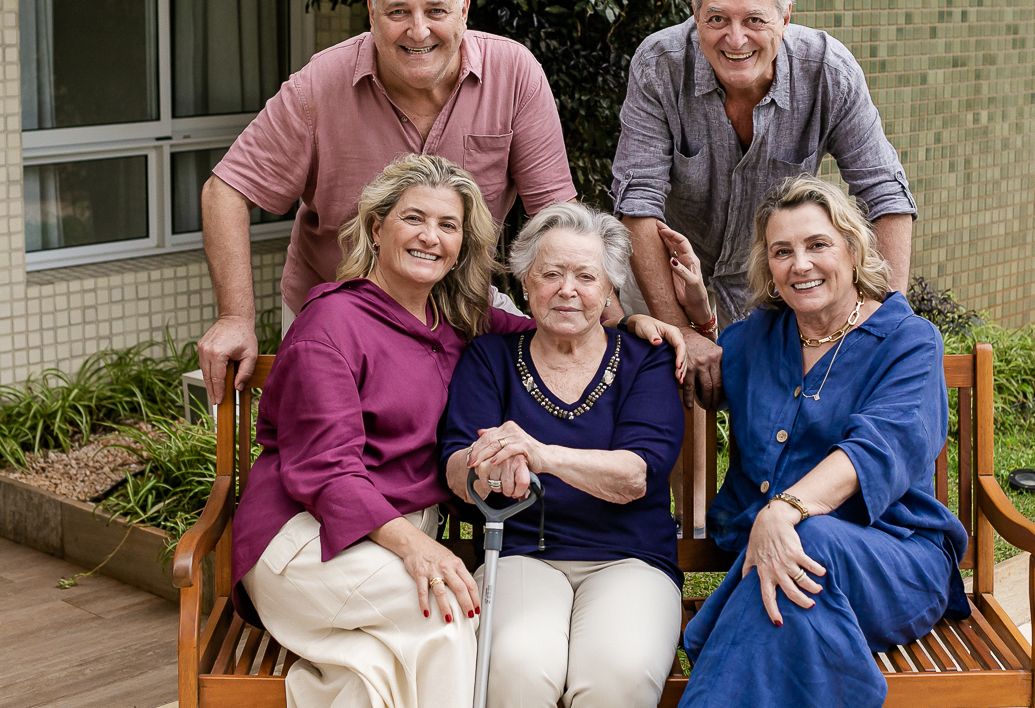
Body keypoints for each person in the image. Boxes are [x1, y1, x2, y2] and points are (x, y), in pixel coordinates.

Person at [231, 156, 680, 708]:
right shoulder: (329, 327)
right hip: (310, 537)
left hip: (385, 544)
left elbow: (561, 322)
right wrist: (419, 547)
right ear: (376, 228)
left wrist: (628, 321)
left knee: (370, 672)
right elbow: (326, 472)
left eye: (448, 226)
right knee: (455, 620)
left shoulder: (454, 322)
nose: (431, 237)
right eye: (414, 218)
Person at [198, 0, 577, 405]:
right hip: (335, 324)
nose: (418, 31)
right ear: (373, 13)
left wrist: (602, 316)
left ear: (463, 10)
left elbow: (557, 217)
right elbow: (225, 190)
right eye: (399, 12)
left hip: (461, 313)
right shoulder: (321, 83)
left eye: (435, 11)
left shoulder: (515, 74)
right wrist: (236, 317)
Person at [666, 177, 969, 708]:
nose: (800, 264)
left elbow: (876, 450)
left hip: (892, 563)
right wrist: (683, 319)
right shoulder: (760, 337)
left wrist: (783, 511)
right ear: (769, 268)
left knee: (811, 542)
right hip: (776, 566)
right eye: (782, 252)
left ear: (853, 250)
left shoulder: (907, 341)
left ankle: (711, 645)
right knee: (794, 599)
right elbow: (701, 364)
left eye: (817, 245)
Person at [612, 0, 918, 407]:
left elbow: (887, 194)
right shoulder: (659, 65)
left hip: (770, 285)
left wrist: (890, 323)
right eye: (717, 19)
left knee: (775, 420)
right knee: (662, 408)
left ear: (785, 17)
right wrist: (679, 330)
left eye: (755, 20)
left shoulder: (828, 71)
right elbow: (637, 205)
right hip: (664, 273)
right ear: (696, 15)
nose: (735, 39)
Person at [439, 203, 685, 708]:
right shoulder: (491, 358)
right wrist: (480, 469)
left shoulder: (646, 360)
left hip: (631, 558)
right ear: (526, 284)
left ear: (609, 290)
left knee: (619, 674)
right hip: (520, 555)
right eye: (550, 273)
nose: (567, 289)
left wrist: (538, 455)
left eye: (585, 276)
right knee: (519, 664)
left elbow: (635, 475)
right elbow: (458, 465)